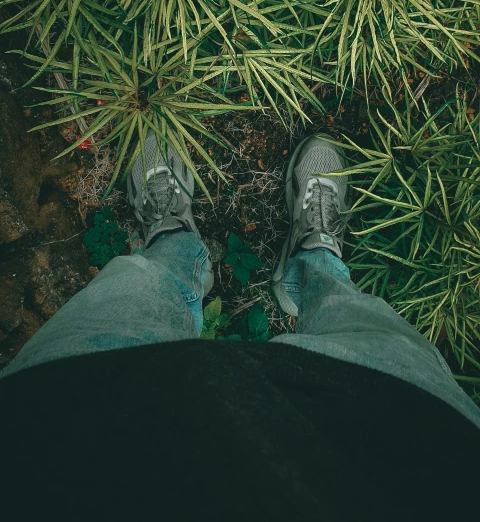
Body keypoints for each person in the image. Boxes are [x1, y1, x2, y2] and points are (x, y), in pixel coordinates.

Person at [1, 132, 479, 520]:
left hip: (70, 417)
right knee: (368, 331)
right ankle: (315, 259)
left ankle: (174, 244)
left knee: (129, 297)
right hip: (403, 443)